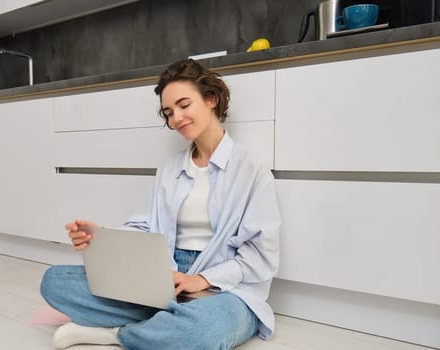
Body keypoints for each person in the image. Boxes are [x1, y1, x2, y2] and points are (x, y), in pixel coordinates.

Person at [39, 58, 281, 350]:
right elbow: (146, 225)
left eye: (184, 105)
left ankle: (118, 333)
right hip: (164, 276)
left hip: (226, 290)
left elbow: (259, 257)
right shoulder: (170, 167)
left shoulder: (251, 169)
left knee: (201, 332)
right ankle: (166, 321)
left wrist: (201, 279)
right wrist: (100, 235)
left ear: (211, 100)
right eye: (169, 112)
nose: (176, 118)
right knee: (54, 281)